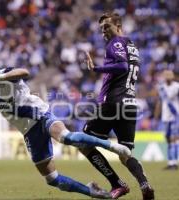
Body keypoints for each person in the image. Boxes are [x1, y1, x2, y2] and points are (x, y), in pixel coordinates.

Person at [0, 43, 132, 199]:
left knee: (66, 137)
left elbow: (24, 72)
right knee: (52, 180)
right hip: (28, 131)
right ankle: (93, 192)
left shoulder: (5, 74)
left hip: (40, 114)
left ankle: (114, 147)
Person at [83, 12, 154, 199]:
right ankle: (144, 184)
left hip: (113, 103)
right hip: (130, 103)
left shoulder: (115, 43)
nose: (104, 31)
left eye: (107, 26)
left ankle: (117, 184)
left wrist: (96, 68)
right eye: (101, 29)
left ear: (118, 25)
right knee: (126, 154)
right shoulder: (132, 46)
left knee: (83, 142)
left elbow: (122, 67)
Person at [154, 70, 179, 170]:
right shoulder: (161, 87)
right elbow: (159, 102)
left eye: (169, 76)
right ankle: (170, 162)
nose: (168, 77)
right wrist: (156, 115)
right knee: (168, 138)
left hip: (175, 115)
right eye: (166, 76)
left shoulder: (177, 86)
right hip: (165, 116)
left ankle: (174, 162)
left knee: (174, 137)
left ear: (172, 77)